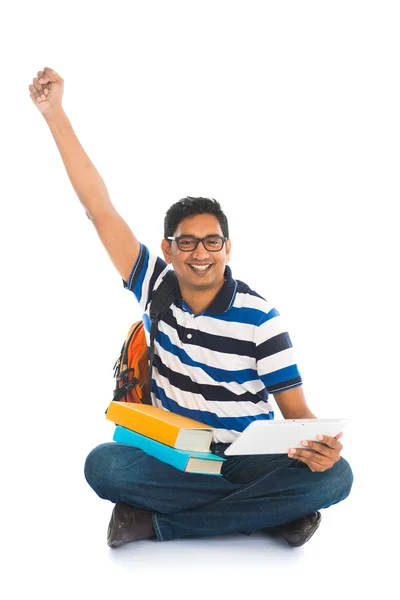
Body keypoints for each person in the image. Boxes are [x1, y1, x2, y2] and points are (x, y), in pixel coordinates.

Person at [29, 67, 353, 549]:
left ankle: (158, 523)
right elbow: (98, 206)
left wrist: (319, 450)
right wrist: (54, 113)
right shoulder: (153, 284)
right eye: (187, 242)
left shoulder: (261, 319)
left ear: (228, 247)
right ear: (169, 247)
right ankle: (276, 514)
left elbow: (297, 414)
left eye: (211, 241)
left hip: (245, 455)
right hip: (171, 453)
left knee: (337, 478)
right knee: (102, 465)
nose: (200, 253)